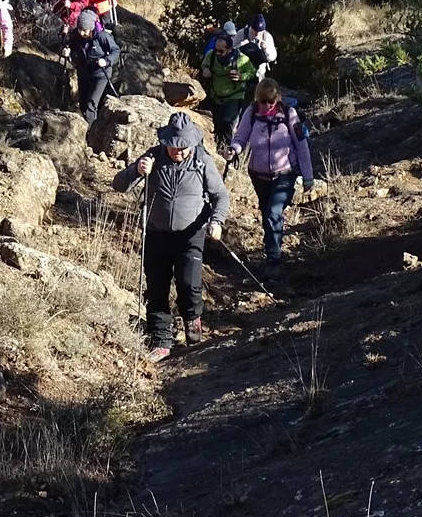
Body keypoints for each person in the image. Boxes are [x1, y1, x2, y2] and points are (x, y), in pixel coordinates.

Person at [112, 114, 231, 361]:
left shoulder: (201, 160)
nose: (179, 151)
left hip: (191, 234)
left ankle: (192, 318)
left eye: (184, 146)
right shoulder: (152, 157)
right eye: (175, 145)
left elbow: (220, 195)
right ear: (166, 141)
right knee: (156, 288)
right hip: (156, 234)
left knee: (188, 284)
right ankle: (161, 339)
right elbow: (119, 185)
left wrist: (216, 221)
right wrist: (136, 169)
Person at [228, 78, 314, 279]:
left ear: (278, 99)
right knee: (267, 213)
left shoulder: (289, 115)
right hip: (258, 175)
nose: (266, 106)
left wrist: (308, 177)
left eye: (270, 102)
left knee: (273, 214)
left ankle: (274, 261)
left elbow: (302, 147)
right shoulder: (251, 113)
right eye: (262, 102)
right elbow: (241, 138)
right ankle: (271, 252)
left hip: (284, 174)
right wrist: (233, 150)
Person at [199, 26, 258, 148]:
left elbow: (252, 72)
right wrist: (205, 70)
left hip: (234, 96)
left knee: (227, 124)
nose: (218, 53)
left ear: (229, 49)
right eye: (216, 50)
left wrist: (241, 76)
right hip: (216, 96)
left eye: (221, 51)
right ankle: (218, 149)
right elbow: (204, 64)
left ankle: (227, 151)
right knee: (218, 125)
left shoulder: (241, 59)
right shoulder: (211, 56)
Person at [67, 10, 119, 123]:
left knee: (91, 105)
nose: (81, 33)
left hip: (101, 74)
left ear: (91, 28)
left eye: (84, 30)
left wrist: (106, 61)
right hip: (84, 74)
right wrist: (66, 50)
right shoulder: (76, 36)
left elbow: (115, 51)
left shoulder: (102, 36)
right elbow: (70, 46)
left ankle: (91, 135)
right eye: (79, 29)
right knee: (83, 105)